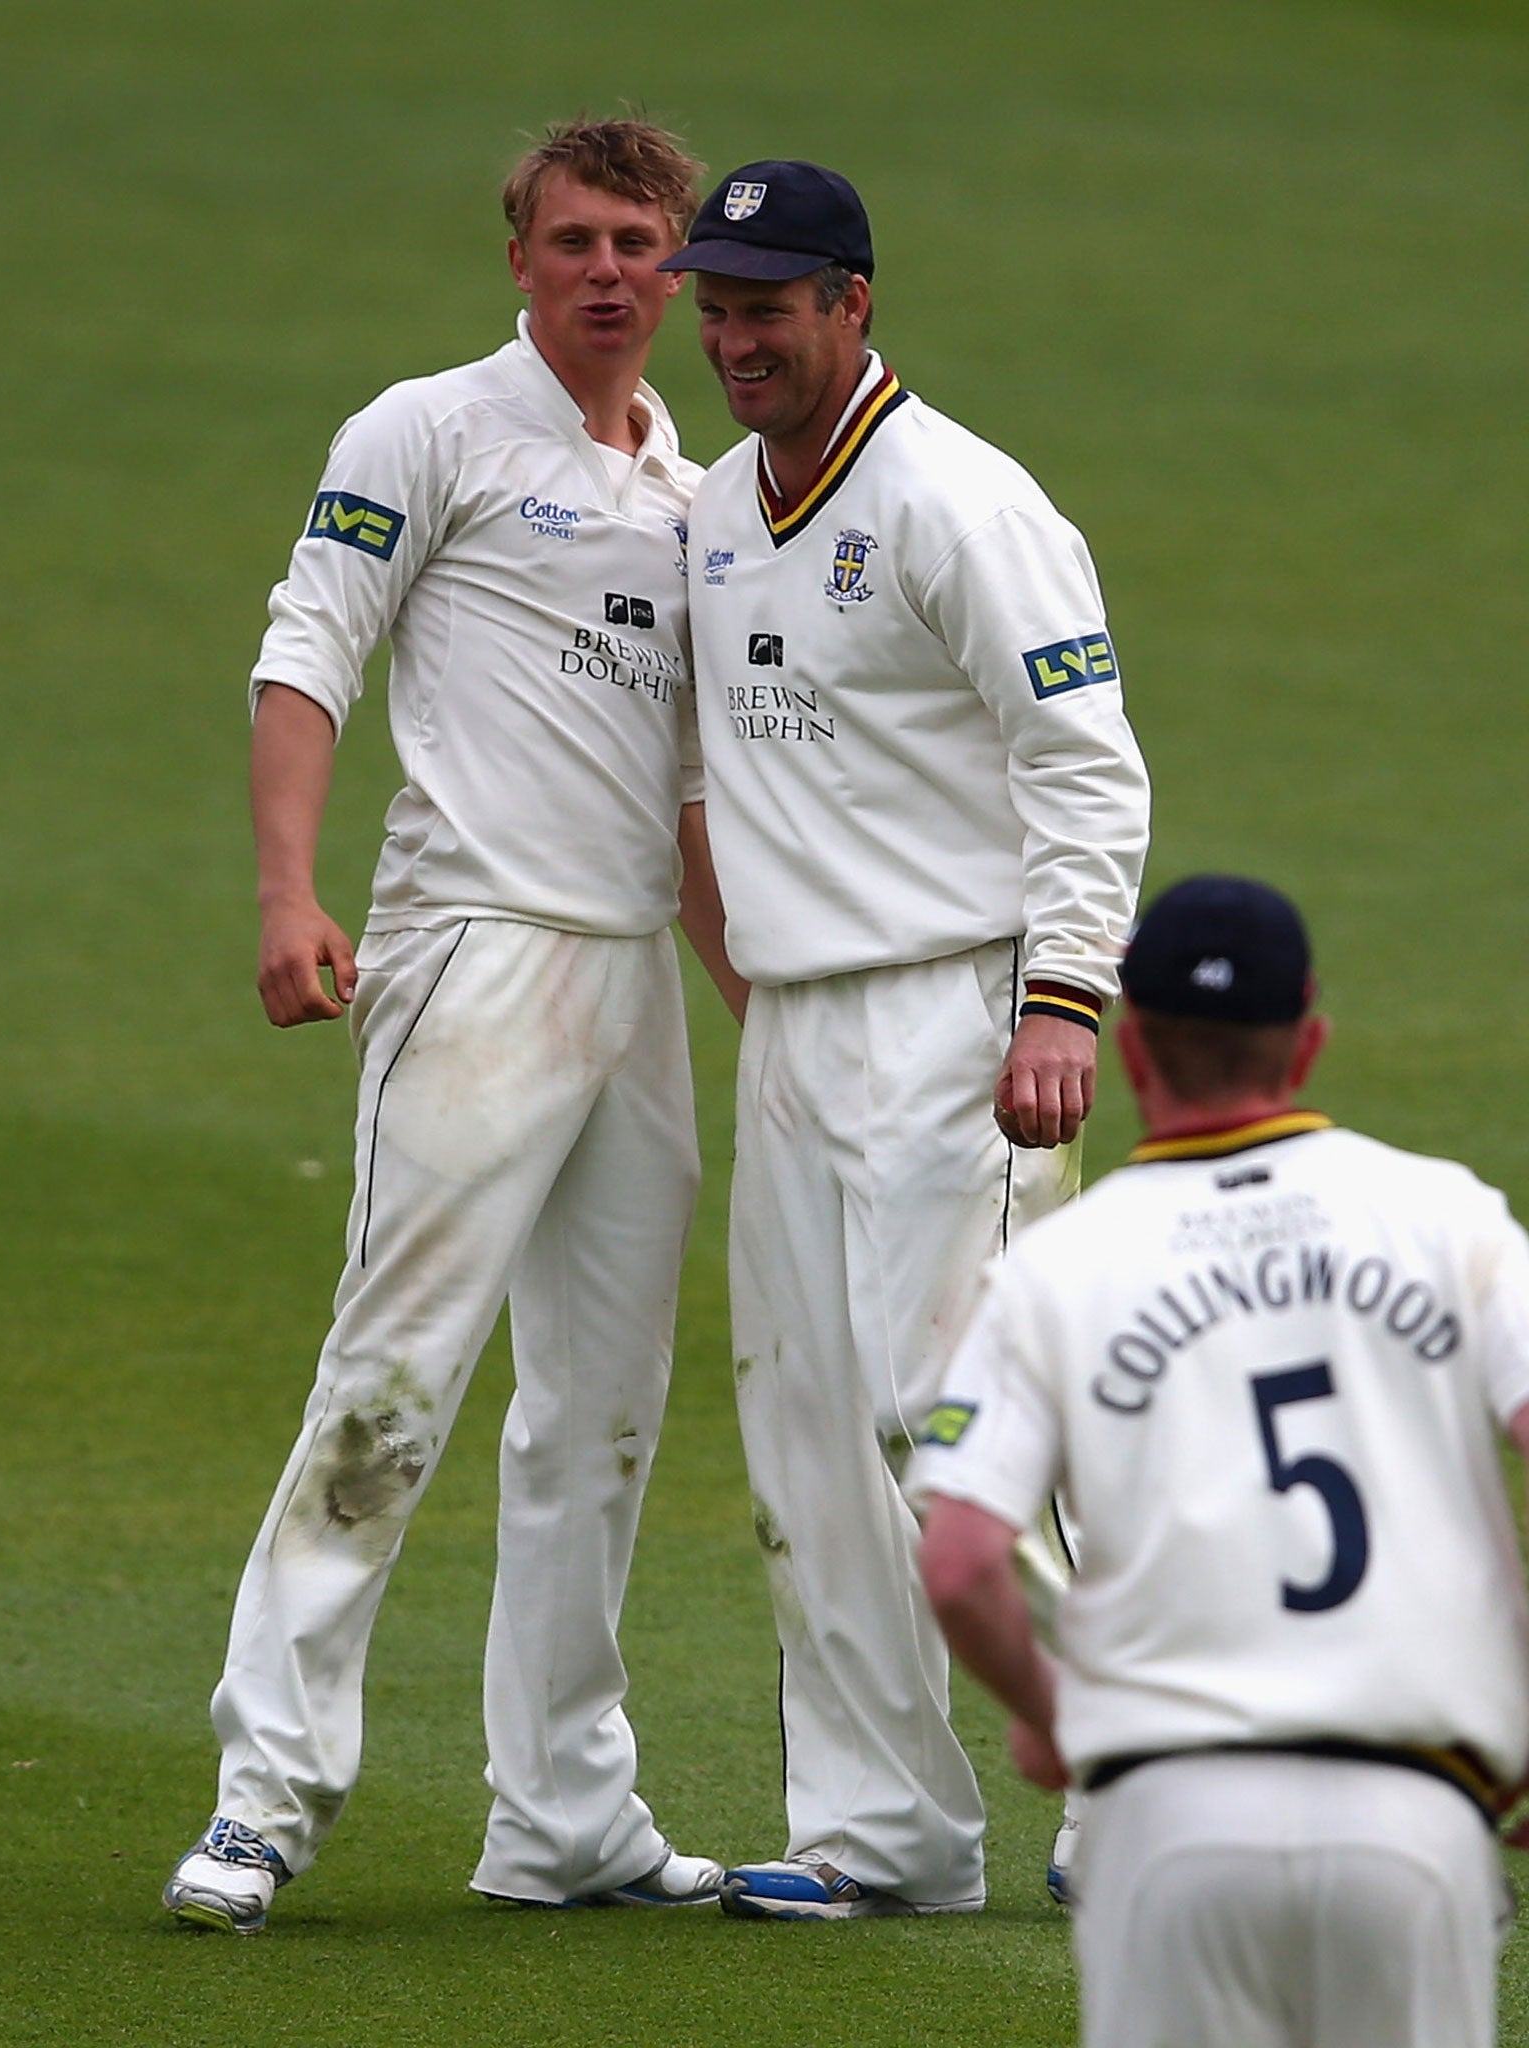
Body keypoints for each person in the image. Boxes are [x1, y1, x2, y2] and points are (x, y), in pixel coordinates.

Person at [163, 118, 744, 1934]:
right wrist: (285, 892)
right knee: (395, 1375)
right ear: (520, 257)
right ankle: (265, 1792)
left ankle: (565, 1810)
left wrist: (761, 1015)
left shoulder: (695, 491)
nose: (605, 270)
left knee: (605, 1412)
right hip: (471, 948)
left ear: (678, 273)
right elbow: (307, 648)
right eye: (571, 237)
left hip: (632, 976)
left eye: (638, 242)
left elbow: (697, 802)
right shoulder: (424, 428)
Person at [658, 161, 1150, 1918]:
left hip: (962, 1012)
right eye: (714, 306)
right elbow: (718, 774)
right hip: (795, 1025)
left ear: (853, 303)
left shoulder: (962, 500)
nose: (734, 338)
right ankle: (885, 1826)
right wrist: (759, 989)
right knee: (808, 1435)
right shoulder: (717, 504)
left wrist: (1060, 999)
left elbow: (1086, 760)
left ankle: (1144, 1766)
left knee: (952, 1422)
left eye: (768, 307)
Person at [913, 874, 1529, 2047]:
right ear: (1307, 1043)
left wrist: (1052, 1718)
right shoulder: (1446, 1217)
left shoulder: (1058, 1267)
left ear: (1133, 1046)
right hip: (1415, 1816)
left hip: (1170, 1822)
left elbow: (955, 1563)